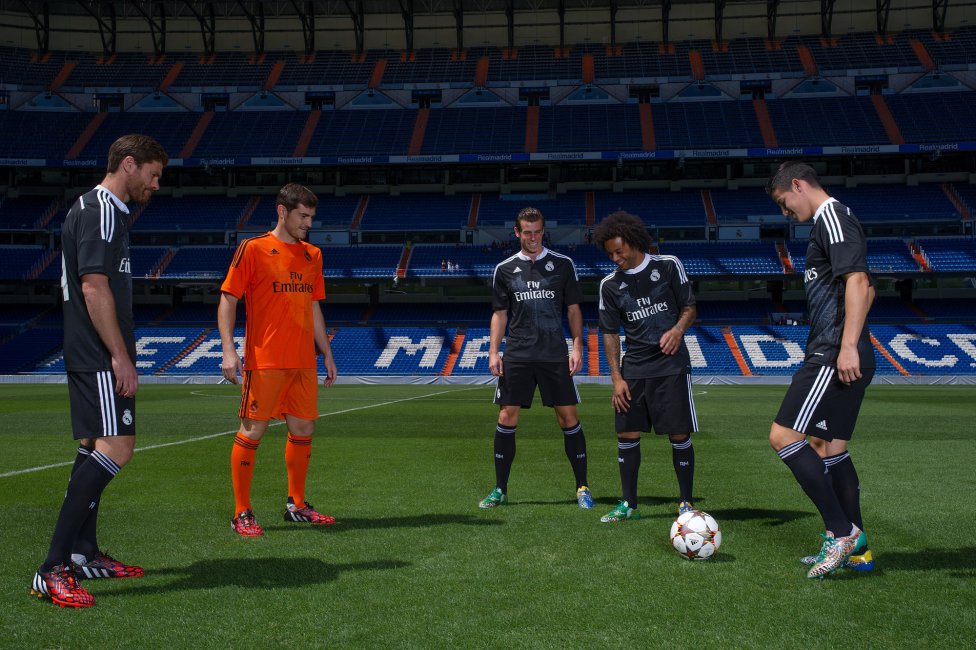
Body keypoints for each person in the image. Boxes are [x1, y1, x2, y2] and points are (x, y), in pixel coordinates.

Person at [31, 134, 168, 608]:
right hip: (97, 353)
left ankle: (83, 552)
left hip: (89, 351)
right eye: (152, 176)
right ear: (128, 165)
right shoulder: (102, 210)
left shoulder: (92, 209)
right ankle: (52, 569)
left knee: (93, 446)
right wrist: (120, 356)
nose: (155, 186)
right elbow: (93, 288)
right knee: (118, 448)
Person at [765, 161, 875, 579]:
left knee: (783, 437)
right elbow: (869, 289)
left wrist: (846, 346)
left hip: (832, 352)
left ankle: (841, 531)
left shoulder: (832, 217)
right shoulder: (829, 224)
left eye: (783, 202)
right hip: (843, 350)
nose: (785, 212)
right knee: (829, 448)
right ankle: (859, 549)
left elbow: (860, 282)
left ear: (797, 185)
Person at [218, 183, 338, 537]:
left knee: (303, 429)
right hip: (265, 359)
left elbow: (314, 304)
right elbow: (228, 299)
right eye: (303, 216)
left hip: (303, 361)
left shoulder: (312, 255)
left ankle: (297, 505)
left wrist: (326, 351)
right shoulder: (253, 249)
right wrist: (228, 350)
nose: (308, 224)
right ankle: (241, 512)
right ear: (282, 212)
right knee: (252, 431)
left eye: (312, 217)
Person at [479, 207, 594, 510]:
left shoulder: (562, 264)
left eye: (538, 231)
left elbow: (573, 310)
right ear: (517, 233)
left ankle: (582, 487)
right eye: (527, 232)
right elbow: (500, 314)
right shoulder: (504, 269)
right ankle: (500, 489)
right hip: (517, 353)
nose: (532, 237)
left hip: (554, 353)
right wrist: (494, 351)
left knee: (568, 418)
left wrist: (578, 346)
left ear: (544, 231)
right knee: (506, 416)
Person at [592, 211, 699, 523]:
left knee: (679, 434)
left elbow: (689, 307)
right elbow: (610, 334)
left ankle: (686, 504)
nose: (615, 258)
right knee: (626, 434)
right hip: (634, 369)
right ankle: (629, 505)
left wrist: (678, 330)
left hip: (671, 367)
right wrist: (616, 378)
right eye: (610, 253)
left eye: (619, 251)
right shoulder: (609, 286)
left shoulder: (668, 265)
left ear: (636, 243)